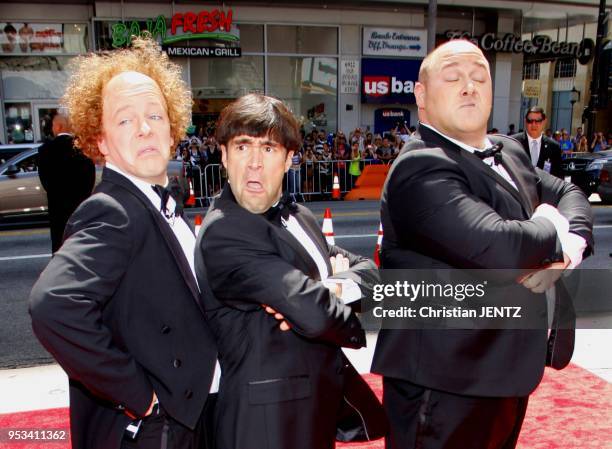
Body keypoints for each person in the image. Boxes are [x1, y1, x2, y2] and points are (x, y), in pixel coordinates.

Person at [373, 40, 593, 449]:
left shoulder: (508, 149)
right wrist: (550, 223)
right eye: (453, 78)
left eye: (479, 77)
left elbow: (567, 191)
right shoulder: (420, 165)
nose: (469, 87)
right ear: (421, 96)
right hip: (443, 386)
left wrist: (571, 246)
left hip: (504, 372)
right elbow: (498, 248)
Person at [29, 37, 218, 449]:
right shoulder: (113, 210)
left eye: (155, 114)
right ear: (99, 141)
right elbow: (53, 306)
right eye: (125, 120)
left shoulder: (159, 204)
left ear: (172, 130)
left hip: (189, 419)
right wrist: (142, 398)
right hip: (156, 432)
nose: (145, 127)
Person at [195, 93, 386, 449]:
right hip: (262, 425)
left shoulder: (302, 216)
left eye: (268, 148)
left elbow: (368, 272)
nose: (254, 162)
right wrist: (321, 295)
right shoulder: (225, 232)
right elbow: (315, 315)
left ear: (287, 159)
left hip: (315, 410)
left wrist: (331, 289)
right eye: (242, 147)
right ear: (223, 155)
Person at [37, 112, 95, 253]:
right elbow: (90, 178)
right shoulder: (82, 148)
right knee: (80, 243)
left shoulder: (45, 150)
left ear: (58, 127)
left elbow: (45, 181)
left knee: (59, 243)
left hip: (57, 207)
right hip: (80, 206)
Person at [512, 106, 563, 178]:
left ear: (544, 121)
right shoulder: (513, 142)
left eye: (538, 121)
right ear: (525, 121)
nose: (533, 124)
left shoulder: (554, 147)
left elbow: (558, 176)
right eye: (530, 121)